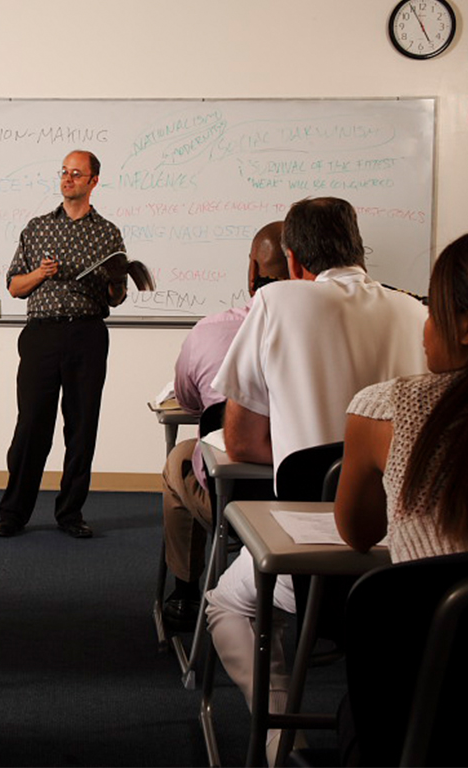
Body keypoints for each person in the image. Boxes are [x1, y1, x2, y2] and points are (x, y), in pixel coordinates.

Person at [205, 197, 429, 763]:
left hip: (310, 549)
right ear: (359, 248)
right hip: (407, 551)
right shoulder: (415, 311)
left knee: (229, 606)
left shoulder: (277, 301)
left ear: (294, 258)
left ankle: (285, 739)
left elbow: (244, 444)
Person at [336, 220, 468, 559]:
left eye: (433, 308)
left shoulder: (386, 409)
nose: (426, 324)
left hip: (437, 613)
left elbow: (358, 534)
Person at [0, 149, 128, 539]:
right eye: (64, 172)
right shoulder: (37, 228)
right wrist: (40, 273)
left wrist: (117, 281)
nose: (68, 179)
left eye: (76, 173)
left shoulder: (107, 233)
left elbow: (115, 298)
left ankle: (70, 513)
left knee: (82, 426)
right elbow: (15, 286)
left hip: (87, 333)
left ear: (93, 182)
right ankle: (13, 513)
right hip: (42, 334)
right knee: (32, 424)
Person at [161, 221, 288, 631]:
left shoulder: (212, 330)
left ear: (252, 272)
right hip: (320, 498)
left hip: (234, 499)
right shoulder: (341, 333)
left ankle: (184, 590)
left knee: (180, 460)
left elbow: (190, 401)